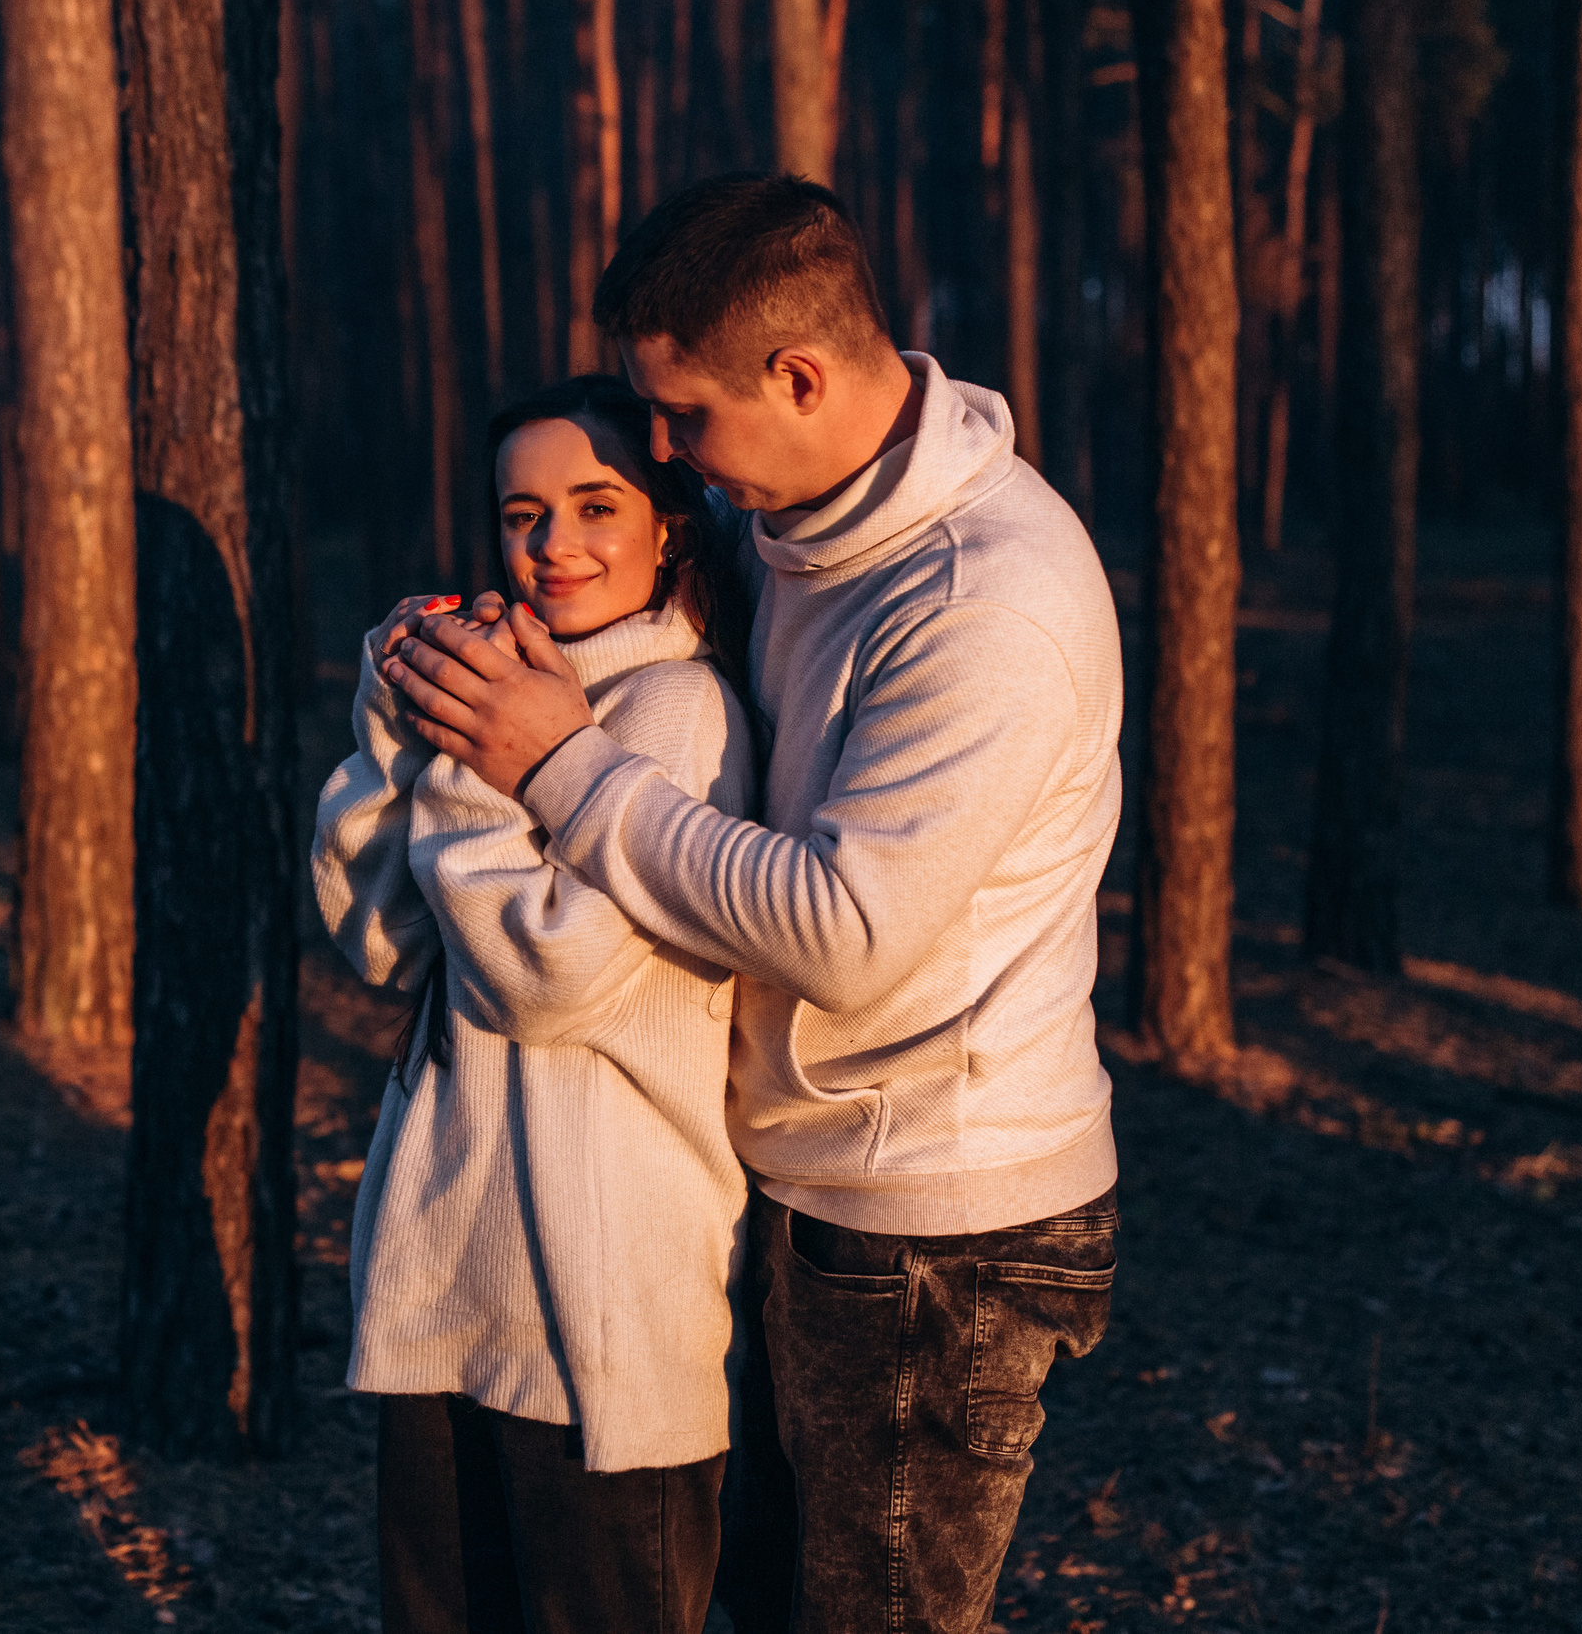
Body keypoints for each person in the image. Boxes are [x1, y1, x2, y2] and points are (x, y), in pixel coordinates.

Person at [381, 174, 1124, 1634]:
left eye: (686, 418)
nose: (663, 452)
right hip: (807, 1188)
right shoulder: (802, 527)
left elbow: (850, 931)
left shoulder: (990, 598)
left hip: (938, 1227)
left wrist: (562, 762)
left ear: (800, 375)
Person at [310, 375, 760, 1634]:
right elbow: (383, 945)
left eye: (594, 504)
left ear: (668, 522)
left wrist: (473, 763)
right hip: (449, 1278)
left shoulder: (678, 710)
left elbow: (540, 978)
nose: (554, 544)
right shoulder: (507, 689)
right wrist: (396, 728)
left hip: (598, 1307)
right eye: (523, 514)